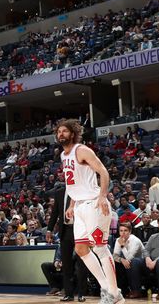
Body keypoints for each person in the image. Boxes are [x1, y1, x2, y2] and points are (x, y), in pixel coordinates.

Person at [59, 119, 124, 304]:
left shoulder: (82, 150)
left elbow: (103, 172)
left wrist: (103, 196)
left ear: (72, 133)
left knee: (100, 248)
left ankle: (113, 293)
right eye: (58, 132)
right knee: (80, 249)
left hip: (94, 203)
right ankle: (108, 289)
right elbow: (74, 183)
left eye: (64, 131)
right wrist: (72, 204)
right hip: (79, 205)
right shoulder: (64, 156)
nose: (60, 134)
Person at [48, 184, 88, 301]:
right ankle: (69, 294)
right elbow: (55, 213)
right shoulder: (60, 192)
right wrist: (49, 229)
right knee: (66, 265)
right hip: (65, 231)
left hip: (80, 230)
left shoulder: (82, 190)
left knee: (81, 264)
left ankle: (81, 294)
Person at [128, 215, 159, 298]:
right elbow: (146, 250)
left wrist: (155, 261)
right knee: (135, 261)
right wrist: (147, 258)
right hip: (151, 261)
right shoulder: (153, 236)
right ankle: (136, 291)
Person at [112, 222, 143, 297]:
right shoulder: (118, 240)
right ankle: (122, 290)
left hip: (140, 263)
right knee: (115, 263)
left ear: (130, 231)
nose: (123, 233)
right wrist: (121, 260)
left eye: (125, 230)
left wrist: (122, 246)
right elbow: (115, 255)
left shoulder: (135, 240)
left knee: (131, 262)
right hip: (127, 261)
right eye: (121, 231)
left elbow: (129, 257)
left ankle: (136, 290)